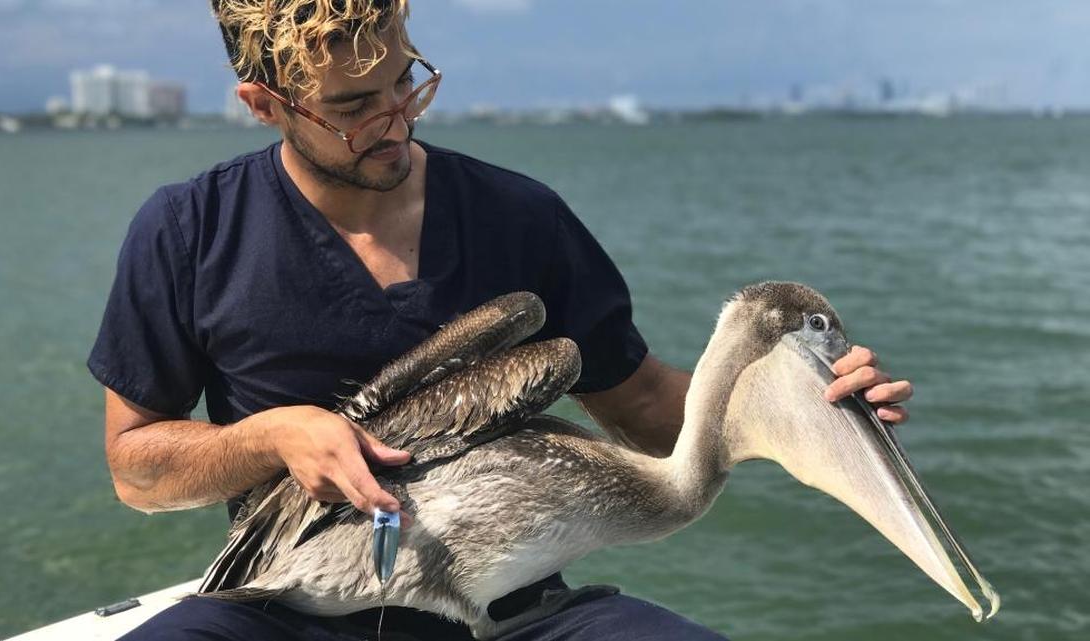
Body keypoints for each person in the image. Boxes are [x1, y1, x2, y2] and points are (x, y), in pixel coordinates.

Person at [88, 1, 914, 639]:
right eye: (354, 105)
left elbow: (653, 412)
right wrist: (275, 437)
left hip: (512, 609)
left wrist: (809, 399)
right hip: (290, 603)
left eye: (404, 82)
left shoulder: (519, 216)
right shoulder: (189, 229)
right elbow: (137, 470)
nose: (398, 120)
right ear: (264, 104)